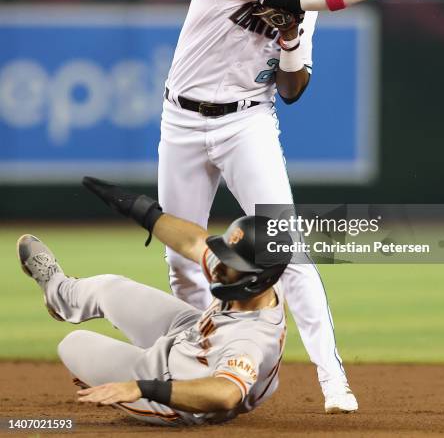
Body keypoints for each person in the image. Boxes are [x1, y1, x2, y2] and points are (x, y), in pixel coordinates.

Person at [158, 0, 427, 413]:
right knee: (181, 260)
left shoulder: (300, 1)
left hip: (248, 123)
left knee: (288, 248)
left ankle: (334, 385)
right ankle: (197, 369)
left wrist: (287, 37)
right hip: (183, 121)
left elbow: (292, 88)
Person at [16, 177, 292, 427]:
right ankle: (58, 292)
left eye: (230, 262)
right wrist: (141, 209)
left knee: (73, 344)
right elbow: (192, 242)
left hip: (176, 386)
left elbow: (226, 394)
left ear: (255, 281)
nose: (218, 265)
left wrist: (145, 388)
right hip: (191, 333)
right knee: (111, 287)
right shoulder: (251, 277)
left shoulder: (251, 339)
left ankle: (132, 387)